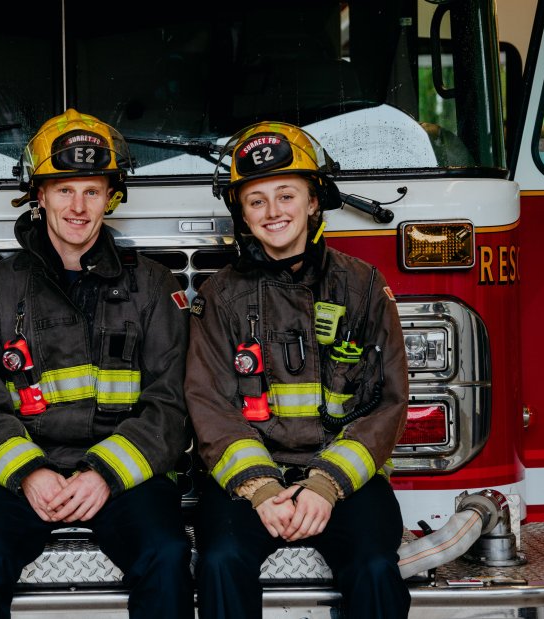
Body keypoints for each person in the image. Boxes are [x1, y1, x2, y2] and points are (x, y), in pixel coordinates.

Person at [0, 109, 195, 618]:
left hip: (124, 474)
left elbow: (168, 406)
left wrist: (103, 474)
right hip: (25, 473)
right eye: (63, 190)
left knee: (168, 554)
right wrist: (30, 473)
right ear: (39, 196)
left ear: (111, 197)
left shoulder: (153, 286)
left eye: (92, 190)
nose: (78, 206)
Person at [185, 121, 411, 618]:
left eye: (286, 195)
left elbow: (388, 402)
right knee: (220, 561)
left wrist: (325, 485)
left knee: (375, 567)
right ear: (242, 214)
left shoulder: (363, 287)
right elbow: (209, 405)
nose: (273, 212)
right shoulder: (219, 297)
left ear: (313, 202)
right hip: (249, 483)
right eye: (257, 200)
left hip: (345, 481)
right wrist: (263, 489)